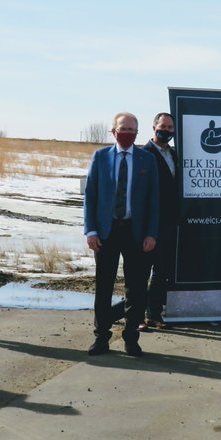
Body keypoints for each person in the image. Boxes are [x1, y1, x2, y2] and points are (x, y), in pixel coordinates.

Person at [83, 112, 160, 356]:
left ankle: (131, 338)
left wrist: (151, 233)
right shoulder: (100, 157)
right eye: (122, 129)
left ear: (138, 133)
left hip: (136, 233)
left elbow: (153, 201)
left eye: (131, 130)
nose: (127, 133)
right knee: (103, 286)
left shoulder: (147, 160)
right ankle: (101, 337)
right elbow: (90, 196)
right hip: (106, 232)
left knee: (136, 288)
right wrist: (91, 230)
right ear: (113, 131)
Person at [140, 112, 179, 330]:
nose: (167, 130)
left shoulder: (174, 155)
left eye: (171, 128)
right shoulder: (143, 154)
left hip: (169, 223)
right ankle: (136, 317)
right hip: (148, 224)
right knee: (141, 272)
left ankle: (153, 314)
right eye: (163, 126)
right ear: (154, 128)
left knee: (162, 271)